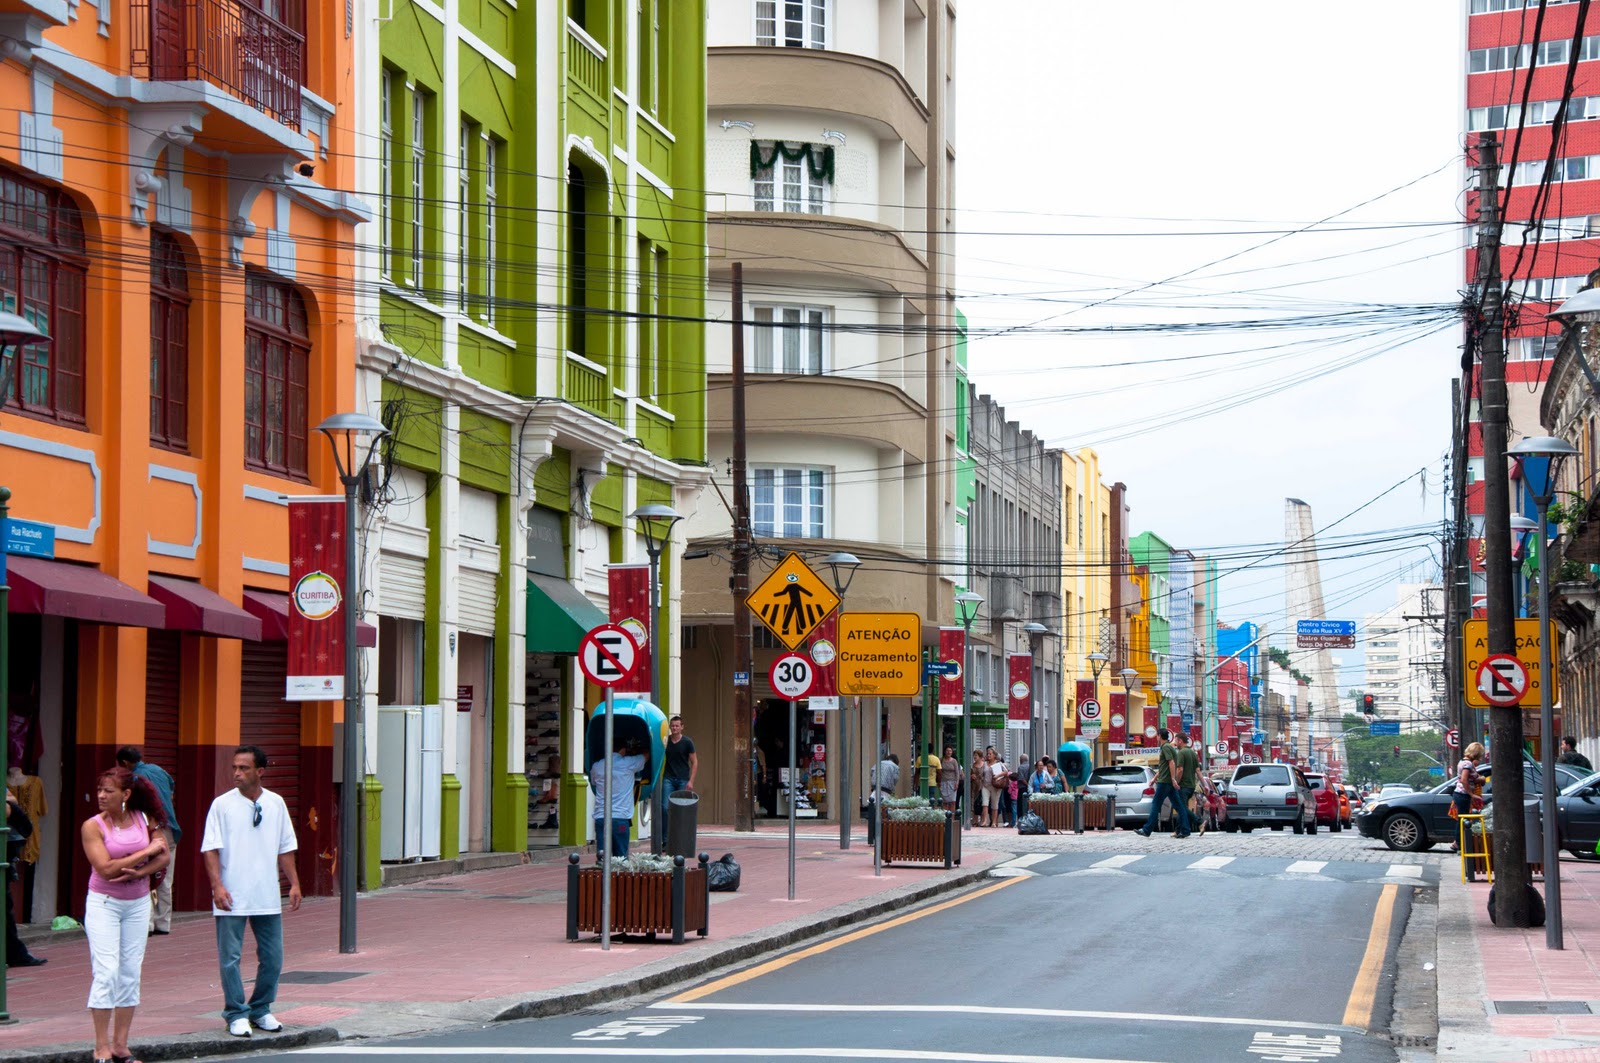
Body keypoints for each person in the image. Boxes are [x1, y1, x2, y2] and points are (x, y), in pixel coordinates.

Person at [201, 745, 301, 1039]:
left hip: (266, 894)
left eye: (243, 768)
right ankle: (235, 1012)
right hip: (231, 895)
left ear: (260, 771)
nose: (236, 773)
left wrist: (293, 883)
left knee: (273, 957)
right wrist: (217, 886)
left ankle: (260, 1008)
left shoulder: (276, 803)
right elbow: (210, 849)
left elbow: (285, 848)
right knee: (230, 957)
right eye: (234, 768)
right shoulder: (222, 804)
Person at [80, 765, 171, 1063]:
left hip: (138, 902)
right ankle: (100, 1047)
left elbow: (165, 855)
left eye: (109, 791)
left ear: (126, 794)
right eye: (99, 790)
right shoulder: (93, 826)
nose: (101, 796)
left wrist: (140, 871)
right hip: (104, 903)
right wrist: (144, 854)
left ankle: (120, 1046)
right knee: (106, 972)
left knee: (131, 973)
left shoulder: (143, 818)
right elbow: (105, 868)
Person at [115, 745, 181, 935]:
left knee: (146, 875)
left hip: (148, 830)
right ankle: (163, 923)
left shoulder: (133, 780)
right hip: (170, 827)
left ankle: (147, 924)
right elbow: (170, 790)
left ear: (125, 763)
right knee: (166, 879)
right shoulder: (159, 770)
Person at [6, 786, 45, 967]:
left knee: (5, 909)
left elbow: (25, 827)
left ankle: (15, 954)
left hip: (5, 858)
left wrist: (12, 805)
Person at [590, 738, 647, 859]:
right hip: (620, 817)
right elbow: (647, 756)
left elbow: (594, 783)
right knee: (621, 858)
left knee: (602, 857)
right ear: (623, 750)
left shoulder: (597, 766)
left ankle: (604, 877)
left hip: (601, 816)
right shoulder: (629, 763)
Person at [1135, 729, 1190, 838]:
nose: (1157, 738)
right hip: (1167, 782)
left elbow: (1171, 763)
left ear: (1160, 736)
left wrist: (1173, 779)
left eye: (1157, 736)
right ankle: (1185, 830)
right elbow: (1164, 767)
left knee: (1156, 804)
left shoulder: (1166, 748)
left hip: (1165, 782)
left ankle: (1147, 829)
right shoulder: (1169, 748)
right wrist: (1154, 778)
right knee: (1179, 806)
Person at [1451, 741, 1487, 852]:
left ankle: (1458, 843)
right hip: (1463, 795)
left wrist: (1479, 779)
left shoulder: (1463, 762)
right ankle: (1458, 843)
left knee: (1462, 819)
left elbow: (1468, 778)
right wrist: (1471, 794)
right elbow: (1464, 779)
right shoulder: (1468, 764)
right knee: (1463, 820)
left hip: (1460, 794)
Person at [660, 716, 697, 822]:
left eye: (677, 726)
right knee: (665, 808)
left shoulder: (687, 742)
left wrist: (691, 781)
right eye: (672, 726)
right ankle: (666, 837)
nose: (674, 728)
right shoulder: (666, 741)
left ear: (682, 727)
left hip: (683, 779)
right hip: (668, 778)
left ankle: (678, 836)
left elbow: (694, 762)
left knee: (680, 809)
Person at [866, 753, 900, 844]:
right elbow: (895, 779)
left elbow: (872, 772)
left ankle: (872, 837)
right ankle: (883, 835)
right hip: (887, 791)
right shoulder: (895, 767)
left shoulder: (878, 763)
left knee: (873, 810)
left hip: (875, 790)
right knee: (885, 812)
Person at [1173, 733, 1203, 834]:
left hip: (1183, 785)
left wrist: (1176, 781)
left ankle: (1199, 821)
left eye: (1176, 740)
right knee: (1182, 808)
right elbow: (1198, 771)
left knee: (1181, 808)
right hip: (1191, 785)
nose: (1175, 743)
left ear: (1180, 741)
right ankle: (1178, 830)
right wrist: (1205, 785)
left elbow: (1180, 769)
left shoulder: (1181, 753)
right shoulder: (1193, 753)